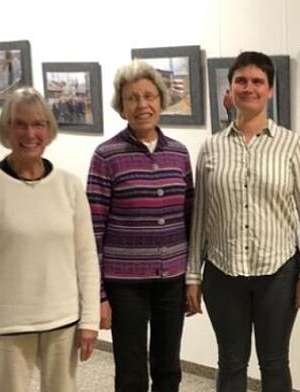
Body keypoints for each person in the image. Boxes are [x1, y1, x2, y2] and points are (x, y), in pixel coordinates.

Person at [185, 51, 300, 392]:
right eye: (241, 80)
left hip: (279, 272)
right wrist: (193, 276)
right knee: (230, 361)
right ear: (230, 88)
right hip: (222, 272)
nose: (249, 88)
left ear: (270, 90)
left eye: (258, 81)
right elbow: (200, 216)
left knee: (274, 363)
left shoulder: (291, 145)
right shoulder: (211, 148)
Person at [0, 87, 100, 392]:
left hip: (62, 319)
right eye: (19, 124)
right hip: (8, 322)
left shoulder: (69, 186)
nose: (29, 133)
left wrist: (90, 321)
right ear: (6, 130)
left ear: (49, 131)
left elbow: (87, 259)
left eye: (38, 124)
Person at [86, 60, 193, 392]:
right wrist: (98, 295)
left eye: (149, 96)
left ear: (161, 102)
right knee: (131, 373)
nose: (142, 105)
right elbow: (93, 229)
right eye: (132, 98)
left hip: (171, 281)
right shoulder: (106, 156)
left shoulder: (179, 154)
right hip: (125, 283)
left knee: (168, 369)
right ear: (122, 107)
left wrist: (191, 278)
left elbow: (190, 220)